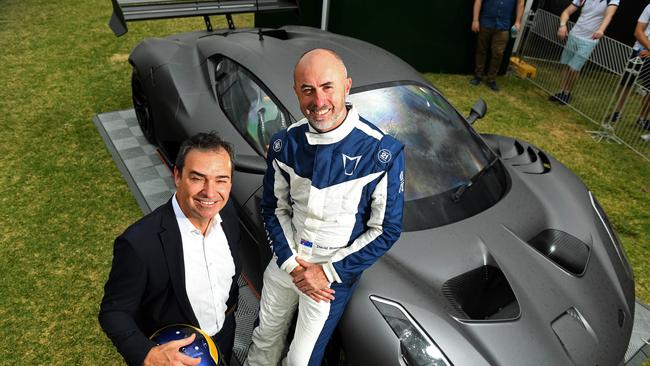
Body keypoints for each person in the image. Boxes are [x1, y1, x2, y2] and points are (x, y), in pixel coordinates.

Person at [245, 48, 405, 366]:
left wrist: (325, 272)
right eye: (308, 90)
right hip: (286, 262)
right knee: (264, 340)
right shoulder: (284, 144)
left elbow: (386, 229)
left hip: (330, 277)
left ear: (346, 86)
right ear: (296, 92)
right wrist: (292, 264)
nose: (318, 102)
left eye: (327, 87)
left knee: (301, 361)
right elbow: (272, 209)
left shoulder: (382, 152)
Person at [99, 132, 241, 366]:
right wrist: (147, 354)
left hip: (224, 332)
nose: (210, 192)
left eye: (221, 180)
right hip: (176, 353)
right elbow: (114, 312)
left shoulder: (227, 212)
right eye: (197, 178)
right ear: (177, 176)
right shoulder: (139, 243)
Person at [549, 0, 619, 105]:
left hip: (589, 40)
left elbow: (609, 15)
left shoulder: (612, 0)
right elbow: (566, 12)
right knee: (567, 66)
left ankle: (567, 93)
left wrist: (601, 30)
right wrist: (562, 25)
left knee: (574, 69)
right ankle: (561, 91)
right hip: (574, 35)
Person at [610, 3, 650, 131]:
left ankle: (642, 119)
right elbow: (638, 31)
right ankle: (616, 112)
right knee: (626, 83)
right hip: (639, 50)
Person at [470, 0, 525, 91]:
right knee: (481, 50)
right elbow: (478, 1)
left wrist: (518, 21)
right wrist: (475, 20)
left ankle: (491, 79)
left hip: (503, 25)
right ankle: (478, 76)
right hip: (486, 21)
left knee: (498, 53)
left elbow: (521, 3)